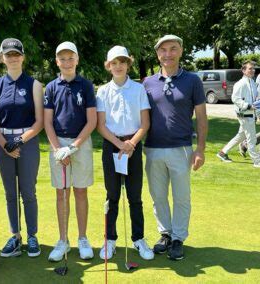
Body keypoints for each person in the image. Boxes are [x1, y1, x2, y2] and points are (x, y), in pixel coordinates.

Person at [143, 35, 208, 260]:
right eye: (163, 50)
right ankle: (166, 234)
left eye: (173, 49)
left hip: (181, 148)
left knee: (181, 197)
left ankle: (179, 237)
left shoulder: (192, 80)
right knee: (158, 196)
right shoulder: (147, 83)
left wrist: (200, 149)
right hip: (152, 148)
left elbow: (201, 117)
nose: (168, 54)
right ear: (158, 54)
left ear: (180, 51)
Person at [0, 38, 44, 257]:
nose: (13, 58)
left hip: (27, 142)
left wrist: (19, 141)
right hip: (3, 144)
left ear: (23, 57)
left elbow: (39, 121)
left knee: (28, 191)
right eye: (8, 55)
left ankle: (32, 236)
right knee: (11, 193)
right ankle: (16, 235)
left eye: (16, 54)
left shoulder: (34, 84)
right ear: (2, 58)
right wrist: (5, 145)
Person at [96, 46, 153, 260]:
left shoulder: (138, 89)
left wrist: (130, 144)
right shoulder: (102, 91)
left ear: (128, 63)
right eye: (114, 63)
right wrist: (120, 145)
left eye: (122, 62)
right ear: (108, 66)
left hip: (133, 146)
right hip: (112, 145)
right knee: (112, 196)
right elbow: (100, 125)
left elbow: (145, 123)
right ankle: (109, 239)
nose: (118, 66)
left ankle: (138, 238)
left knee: (134, 196)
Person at [44, 41, 97, 261]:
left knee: (81, 191)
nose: (67, 62)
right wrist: (58, 150)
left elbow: (92, 120)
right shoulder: (51, 87)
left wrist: (73, 147)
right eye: (62, 58)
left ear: (77, 60)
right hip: (58, 142)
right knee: (61, 193)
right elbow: (47, 122)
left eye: (70, 58)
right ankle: (63, 240)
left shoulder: (86, 85)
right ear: (57, 61)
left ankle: (82, 238)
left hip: (81, 143)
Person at [217, 61, 260, 169]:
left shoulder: (252, 82)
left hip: (250, 113)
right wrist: (247, 106)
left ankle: (222, 153)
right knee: (252, 138)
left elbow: (255, 97)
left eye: (253, 68)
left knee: (240, 136)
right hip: (244, 114)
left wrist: (259, 101)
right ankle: (257, 161)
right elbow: (235, 98)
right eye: (250, 69)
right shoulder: (240, 83)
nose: (252, 70)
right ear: (243, 70)